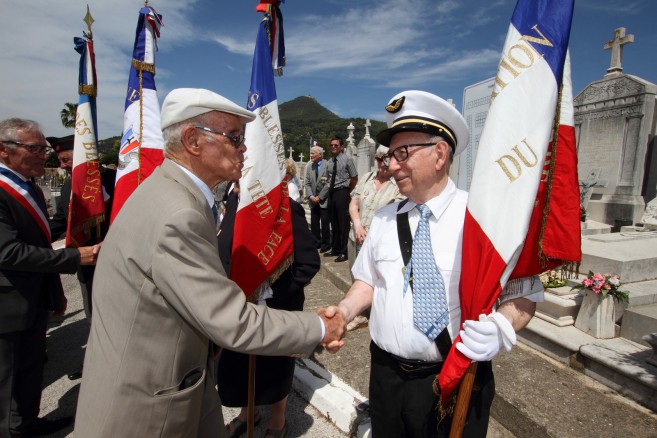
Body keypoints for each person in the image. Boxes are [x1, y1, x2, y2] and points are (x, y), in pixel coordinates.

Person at [73, 88, 345, 438]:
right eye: (234, 137)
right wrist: (320, 327)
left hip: (172, 385)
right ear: (192, 140)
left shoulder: (167, 191)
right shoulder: (179, 213)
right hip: (149, 413)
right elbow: (231, 321)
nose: (244, 148)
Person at [322, 90, 543, 437]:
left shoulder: (482, 222)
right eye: (391, 155)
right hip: (386, 377)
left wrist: (501, 327)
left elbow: (524, 293)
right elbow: (368, 281)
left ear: (439, 154)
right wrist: (344, 312)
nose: (391, 165)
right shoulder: (382, 219)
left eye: (402, 154)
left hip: (454, 379)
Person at [0, 118, 100, 437]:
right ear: (4, 150)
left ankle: (26, 424)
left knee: (29, 371)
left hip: (32, 298)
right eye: (34, 148)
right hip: (7, 304)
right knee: (7, 380)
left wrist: (53, 292)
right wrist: (75, 256)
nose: (45, 155)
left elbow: (40, 240)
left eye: (43, 148)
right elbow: (8, 253)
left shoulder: (26, 184)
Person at [217, 187, 320, 438]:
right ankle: (247, 413)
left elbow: (308, 262)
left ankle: (278, 419)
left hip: (277, 307)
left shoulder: (287, 206)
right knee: (241, 363)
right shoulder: (233, 201)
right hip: (239, 306)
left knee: (276, 367)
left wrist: (267, 290)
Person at [47, 134, 116, 380]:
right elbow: (61, 223)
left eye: (66, 159)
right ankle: (96, 365)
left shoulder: (114, 179)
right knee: (93, 317)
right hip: (87, 266)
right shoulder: (69, 186)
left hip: (117, 264)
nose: (63, 165)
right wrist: (36, 236)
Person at [346, 144, 404, 331]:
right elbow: (354, 203)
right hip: (357, 235)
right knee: (357, 273)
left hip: (379, 240)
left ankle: (367, 315)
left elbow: (396, 214)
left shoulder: (398, 184)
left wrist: (372, 233)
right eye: (380, 159)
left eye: (387, 159)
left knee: (375, 277)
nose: (383, 164)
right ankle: (360, 310)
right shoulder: (366, 178)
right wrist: (357, 224)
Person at [321, 136, 357, 262]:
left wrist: (347, 191)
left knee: (343, 223)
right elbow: (327, 177)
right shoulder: (330, 161)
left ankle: (344, 251)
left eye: (336, 145)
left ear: (341, 147)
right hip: (332, 192)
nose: (333, 147)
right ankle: (335, 248)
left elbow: (354, 177)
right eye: (331, 145)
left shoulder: (347, 159)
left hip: (342, 191)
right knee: (334, 222)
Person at [303, 145, 330, 252]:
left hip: (324, 200)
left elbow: (328, 183)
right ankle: (316, 242)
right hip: (313, 200)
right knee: (314, 223)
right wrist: (311, 196)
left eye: (313, 153)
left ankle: (326, 244)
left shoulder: (327, 165)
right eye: (311, 153)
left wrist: (320, 197)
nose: (311, 155)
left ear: (320, 154)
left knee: (324, 222)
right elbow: (307, 182)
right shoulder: (310, 166)